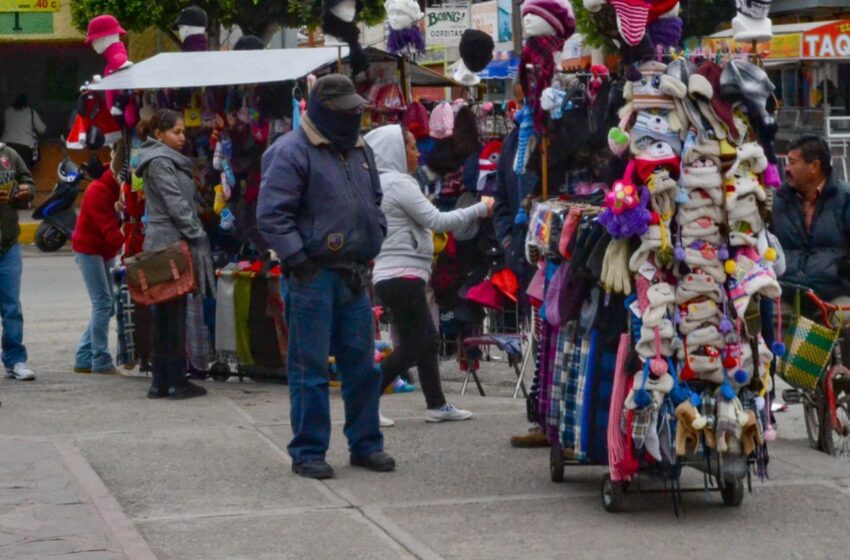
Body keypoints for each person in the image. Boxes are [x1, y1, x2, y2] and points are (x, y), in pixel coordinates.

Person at [257, 74, 393, 480]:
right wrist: (299, 261)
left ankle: (366, 444)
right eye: (346, 111)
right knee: (311, 368)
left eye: (357, 109)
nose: (354, 116)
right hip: (312, 276)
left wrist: (376, 233)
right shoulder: (291, 151)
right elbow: (271, 215)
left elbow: (375, 200)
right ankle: (309, 451)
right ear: (322, 110)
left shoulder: (358, 148)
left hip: (353, 273)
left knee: (362, 367)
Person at [364, 124, 495, 426]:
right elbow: (438, 221)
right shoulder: (398, 183)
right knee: (418, 343)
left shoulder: (382, 183)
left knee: (425, 340)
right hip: (402, 275)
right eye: (410, 146)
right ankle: (365, 397)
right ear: (395, 151)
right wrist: (479, 209)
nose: (416, 152)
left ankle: (436, 404)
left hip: (395, 275)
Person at [135, 109, 214, 399]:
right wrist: (197, 232)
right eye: (175, 132)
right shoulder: (159, 162)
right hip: (169, 243)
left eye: (183, 132)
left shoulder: (166, 160)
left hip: (167, 240)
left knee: (168, 314)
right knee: (171, 313)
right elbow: (176, 203)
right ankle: (173, 381)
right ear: (159, 134)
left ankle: (163, 381)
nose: (182, 138)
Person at [772, 135, 850, 302]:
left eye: (792, 163)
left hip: (834, 294)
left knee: (843, 322)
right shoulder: (777, 200)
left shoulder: (846, 199)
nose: (786, 168)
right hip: (785, 293)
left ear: (814, 166)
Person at [71, 150, 124, 376]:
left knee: (107, 304)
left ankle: (84, 357)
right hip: (88, 250)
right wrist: (129, 247)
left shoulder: (115, 189)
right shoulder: (98, 191)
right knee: (103, 303)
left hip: (104, 250)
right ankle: (101, 360)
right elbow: (109, 229)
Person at [0, 142, 36, 380]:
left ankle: (15, 360)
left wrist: (24, 190)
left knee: (12, 307)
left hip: (8, 245)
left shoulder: (8, 154)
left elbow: (29, 182)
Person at [1, 95, 46, 169]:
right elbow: (42, 129)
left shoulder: (7, 111)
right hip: (24, 147)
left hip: (6, 145)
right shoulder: (31, 112)